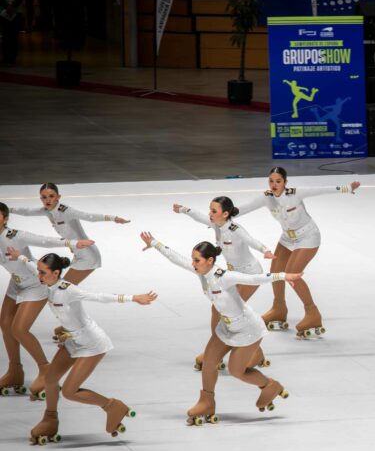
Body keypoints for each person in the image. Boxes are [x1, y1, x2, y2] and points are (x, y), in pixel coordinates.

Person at [141, 233, 299, 425]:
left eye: (197, 260)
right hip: (227, 326)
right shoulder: (201, 272)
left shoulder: (224, 276)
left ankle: (270, 385)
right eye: (193, 259)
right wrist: (154, 243)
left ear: (210, 261)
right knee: (209, 361)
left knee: (236, 371)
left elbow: (255, 278)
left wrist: (283, 275)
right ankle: (207, 402)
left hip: (248, 329)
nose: (193, 263)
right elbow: (176, 258)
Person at [5, 249, 155, 444]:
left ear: (56, 273)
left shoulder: (68, 290)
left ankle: (112, 406)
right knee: (50, 379)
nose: (39, 275)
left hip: (92, 343)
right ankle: (50, 419)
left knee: (69, 391)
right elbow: (31, 265)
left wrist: (133, 298)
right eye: (39, 271)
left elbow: (99, 296)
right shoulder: (46, 280)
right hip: (72, 340)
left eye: (43, 272)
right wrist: (20, 256)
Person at [237, 167, 360, 338]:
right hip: (287, 238)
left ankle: (313, 313)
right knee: (275, 272)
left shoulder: (294, 194)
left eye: (278, 181)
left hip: (308, 236)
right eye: (271, 181)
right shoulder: (267, 197)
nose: (274, 185)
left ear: (285, 183)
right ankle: (278, 309)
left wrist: (346, 188)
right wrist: (223, 215)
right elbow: (242, 209)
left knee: (291, 274)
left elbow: (320, 190)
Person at [0, 201, 94, 400]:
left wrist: (74, 243)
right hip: (16, 283)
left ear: (5, 219)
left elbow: (45, 241)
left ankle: (45, 369)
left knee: (19, 329)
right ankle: (15, 371)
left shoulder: (15, 236)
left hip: (35, 283)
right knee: (5, 324)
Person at [173, 196, 273, 370]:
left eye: (214, 211)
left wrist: (265, 250)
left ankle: (217, 352)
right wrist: (183, 209)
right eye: (210, 210)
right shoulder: (216, 224)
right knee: (221, 310)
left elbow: (250, 240)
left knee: (226, 310)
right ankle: (254, 353)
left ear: (225, 214)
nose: (209, 214)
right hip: (233, 274)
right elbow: (199, 217)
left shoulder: (235, 228)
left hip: (250, 273)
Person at [9, 182, 130, 285]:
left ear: (58, 197)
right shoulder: (47, 211)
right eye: (44, 197)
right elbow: (28, 211)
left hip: (88, 255)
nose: (48, 200)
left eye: (51, 196)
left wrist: (113, 218)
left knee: (61, 290)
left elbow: (89, 216)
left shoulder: (66, 211)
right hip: (78, 254)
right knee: (62, 292)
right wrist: (7, 209)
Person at [1, 0, 26, 65]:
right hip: (3, 10)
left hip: (17, 10)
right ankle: (6, 57)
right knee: (5, 35)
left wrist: (14, 6)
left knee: (14, 35)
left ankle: (12, 58)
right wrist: (7, 6)